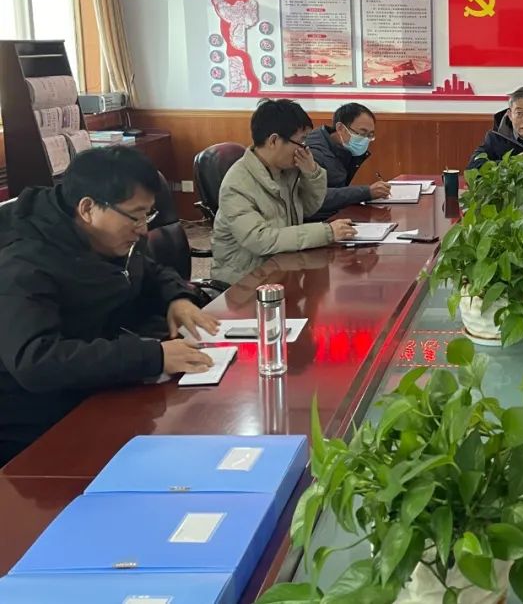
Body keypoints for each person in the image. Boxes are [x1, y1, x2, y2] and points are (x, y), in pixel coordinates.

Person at [0, 147, 218, 466]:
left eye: (148, 215)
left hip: (99, 385)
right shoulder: (22, 263)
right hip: (38, 425)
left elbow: (147, 271)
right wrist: (151, 357)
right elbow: (37, 361)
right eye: (136, 215)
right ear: (88, 208)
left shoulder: (101, 234)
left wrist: (177, 297)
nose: (143, 229)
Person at [212, 99, 355, 285]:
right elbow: (260, 240)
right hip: (245, 281)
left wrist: (312, 174)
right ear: (274, 141)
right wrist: (326, 232)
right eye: (301, 141)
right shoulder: (237, 185)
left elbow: (309, 208)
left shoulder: (286, 170)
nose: (305, 149)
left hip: (281, 267)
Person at [304, 103, 391, 221]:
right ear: (340, 128)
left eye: (370, 135)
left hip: (336, 216)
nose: (365, 139)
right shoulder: (314, 152)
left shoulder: (343, 149)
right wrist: (366, 192)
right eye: (362, 133)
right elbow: (316, 197)